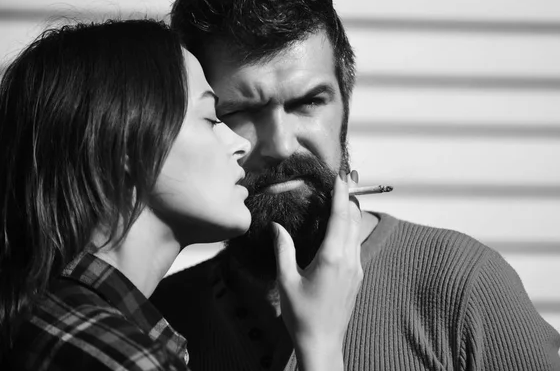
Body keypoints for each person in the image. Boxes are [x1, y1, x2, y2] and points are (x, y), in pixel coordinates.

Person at [150, 0, 560, 370]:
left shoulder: (464, 287)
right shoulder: (160, 319)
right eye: (240, 110)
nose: (280, 143)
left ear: (345, 105)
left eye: (308, 102)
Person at [0, 19, 364, 371]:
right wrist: (321, 349)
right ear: (127, 147)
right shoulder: (126, 359)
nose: (240, 145)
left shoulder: (40, 316)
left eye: (309, 102)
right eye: (213, 117)